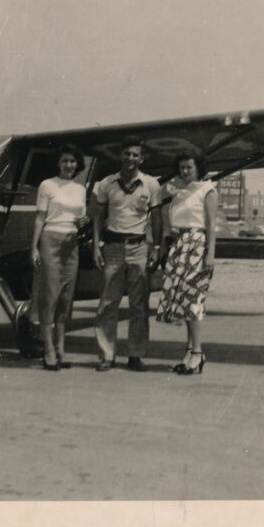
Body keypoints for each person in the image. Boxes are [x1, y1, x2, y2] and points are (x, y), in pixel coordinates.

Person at [91, 136, 163, 372]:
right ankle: (106, 355)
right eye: (127, 154)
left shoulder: (151, 185)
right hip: (112, 248)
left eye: (135, 155)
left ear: (142, 158)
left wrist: (156, 248)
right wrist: (96, 245)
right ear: (120, 156)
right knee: (108, 304)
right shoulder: (107, 184)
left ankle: (135, 354)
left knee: (139, 305)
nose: (130, 158)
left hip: (139, 248)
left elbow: (157, 218)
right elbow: (98, 217)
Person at [156, 151, 217, 376]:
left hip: (197, 245)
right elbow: (167, 217)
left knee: (192, 300)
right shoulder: (180, 193)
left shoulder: (207, 190)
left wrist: (210, 255)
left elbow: (211, 226)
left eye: (188, 167)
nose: (184, 172)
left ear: (198, 167)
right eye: (181, 168)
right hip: (180, 244)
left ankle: (198, 353)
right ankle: (190, 352)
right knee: (183, 300)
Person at [31, 144, 88, 371]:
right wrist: (33, 247)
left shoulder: (80, 188)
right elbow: (39, 218)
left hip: (71, 243)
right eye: (64, 160)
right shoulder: (47, 185)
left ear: (77, 164)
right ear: (58, 163)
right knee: (50, 295)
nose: (68, 165)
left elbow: (81, 217)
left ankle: (61, 349)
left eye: (72, 161)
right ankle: (49, 351)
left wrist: (85, 221)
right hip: (50, 240)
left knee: (66, 297)